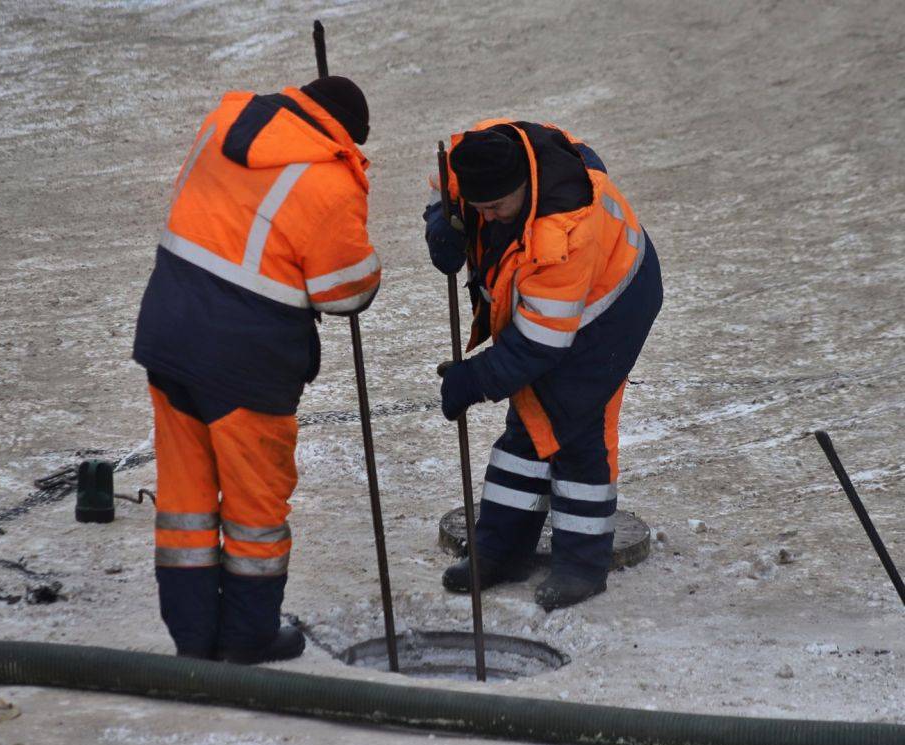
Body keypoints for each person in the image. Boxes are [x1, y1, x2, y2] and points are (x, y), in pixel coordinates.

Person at [132, 76, 380, 663]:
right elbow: (343, 292)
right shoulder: (329, 180)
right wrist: (367, 258)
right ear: (346, 135)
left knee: (186, 501)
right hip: (246, 362)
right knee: (255, 512)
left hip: (169, 332)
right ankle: (247, 639)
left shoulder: (223, 123)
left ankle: (193, 640)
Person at [424, 120, 662, 610]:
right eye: (479, 207)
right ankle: (501, 550)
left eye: (496, 207)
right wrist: (441, 223)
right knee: (529, 427)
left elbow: (538, 347)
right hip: (556, 309)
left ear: (524, 187)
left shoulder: (563, 235)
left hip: (610, 307)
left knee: (574, 428)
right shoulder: (486, 148)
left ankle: (581, 564)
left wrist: (474, 380)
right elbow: (445, 185)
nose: (486, 217)